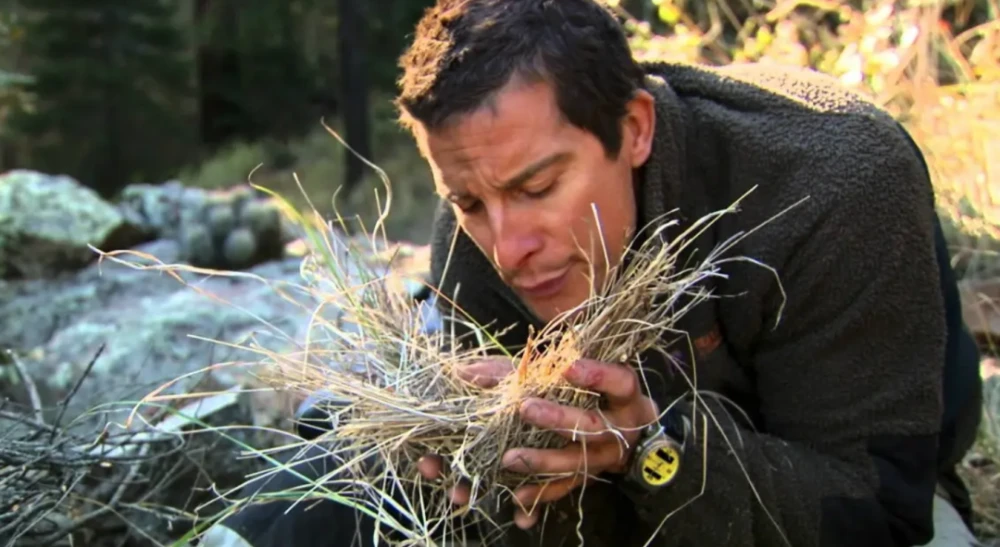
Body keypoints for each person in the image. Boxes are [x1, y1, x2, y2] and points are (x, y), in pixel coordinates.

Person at [201, 0, 985, 545]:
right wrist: (475, 470)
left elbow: (878, 511)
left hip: (851, 483)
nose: (507, 248)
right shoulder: (476, 231)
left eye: (538, 189)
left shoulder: (834, 190)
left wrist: (653, 444)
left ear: (634, 128)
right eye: (469, 200)